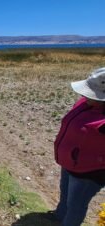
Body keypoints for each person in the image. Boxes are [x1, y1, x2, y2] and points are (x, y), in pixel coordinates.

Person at [52, 67, 105, 226]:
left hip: (88, 172)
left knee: (76, 205)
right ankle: (59, 216)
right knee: (66, 194)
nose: (84, 95)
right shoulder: (86, 103)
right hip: (71, 163)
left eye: (91, 93)